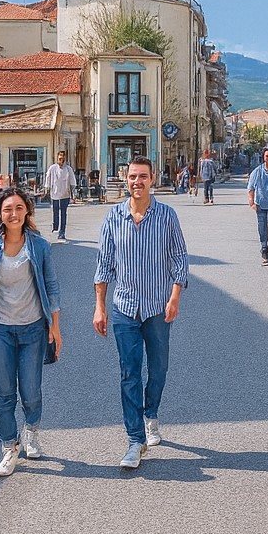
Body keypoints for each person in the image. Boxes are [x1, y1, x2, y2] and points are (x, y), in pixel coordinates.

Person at [94, 156, 189, 469]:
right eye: (133, 176)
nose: (137, 182)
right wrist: (100, 307)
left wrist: (174, 298)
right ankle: (135, 439)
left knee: (158, 369)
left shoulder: (166, 216)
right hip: (124, 307)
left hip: (158, 307)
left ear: (153, 179)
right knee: (129, 372)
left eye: (143, 177)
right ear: (126, 179)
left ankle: (151, 415)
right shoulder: (113, 217)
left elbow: (180, 259)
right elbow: (104, 264)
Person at [0, 188, 62, 477]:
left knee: (30, 391)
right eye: (8, 209)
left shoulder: (40, 247)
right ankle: (9, 447)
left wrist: (55, 328)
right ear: (0, 215)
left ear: (27, 212)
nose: (14, 214)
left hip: (33, 328)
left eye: (19, 208)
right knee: (3, 393)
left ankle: (31, 429)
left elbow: (52, 287)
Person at [42, 149, 78, 239]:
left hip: (65, 194)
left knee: (63, 213)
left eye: (62, 159)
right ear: (57, 158)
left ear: (65, 159)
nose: (61, 161)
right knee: (55, 212)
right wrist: (46, 189)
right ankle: (55, 227)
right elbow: (48, 179)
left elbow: (72, 182)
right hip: (54, 194)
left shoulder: (68, 169)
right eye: (59, 158)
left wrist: (74, 194)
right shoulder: (52, 168)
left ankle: (62, 231)